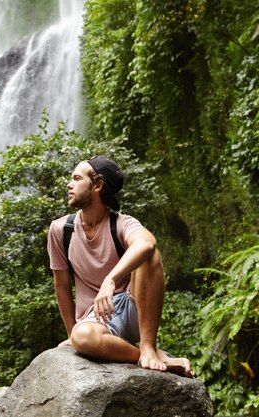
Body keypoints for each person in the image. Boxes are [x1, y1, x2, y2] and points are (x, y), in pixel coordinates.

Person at [46, 155, 193, 377]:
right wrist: (71, 333)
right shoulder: (60, 230)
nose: (69, 184)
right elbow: (61, 285)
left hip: (134, 307)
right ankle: (148, 355)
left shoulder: (121, 224)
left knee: (150, 255)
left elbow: (146, 243)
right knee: (82, 336)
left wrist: (111, 279)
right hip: (96, 318)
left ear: (97, 185)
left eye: (77, 179)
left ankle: (148, 345)